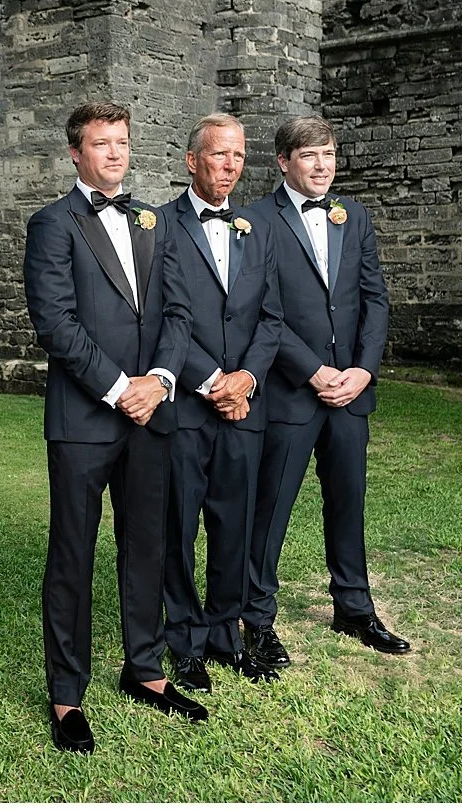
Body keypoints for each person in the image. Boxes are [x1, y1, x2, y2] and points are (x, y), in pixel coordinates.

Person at [23, 101, 196, 754]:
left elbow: (179, 313)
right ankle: (67, 695)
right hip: (84, 420)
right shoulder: (52, 224)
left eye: (122, 142)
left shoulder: (154, 220)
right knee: (71, 554)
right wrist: (122, 389)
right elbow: (56, 325)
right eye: (102, 143)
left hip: (153, 414)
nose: (116, 153)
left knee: (146, 545)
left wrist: (160, 382)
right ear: (76, 152)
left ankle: (145, 671)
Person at [244, 115, 410, 666]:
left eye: (330, 155)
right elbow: (259, 312)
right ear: (284, 162)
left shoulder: (353, 216)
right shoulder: (256, 221)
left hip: (350, 392)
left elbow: (374, 300)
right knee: (271, 508)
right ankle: (257, 619)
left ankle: (354, 608)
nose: (323, 166)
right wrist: (313, 371)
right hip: (293, 392)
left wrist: (362, 371)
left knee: (349, 502)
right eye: (311, 156)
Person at [158, 113, 286, 691]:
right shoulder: (158, 226)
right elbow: (161, 321)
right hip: (186, 407)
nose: (231, 165)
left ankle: (223, 632)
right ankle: (183, 639)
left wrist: (247, 381)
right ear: (192, 161)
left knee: (235, 524)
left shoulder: (258, 228)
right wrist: (212, 382)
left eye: (238, 156)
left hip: (246, 407)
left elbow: (271, 317)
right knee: (179, 526)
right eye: (219, 155)